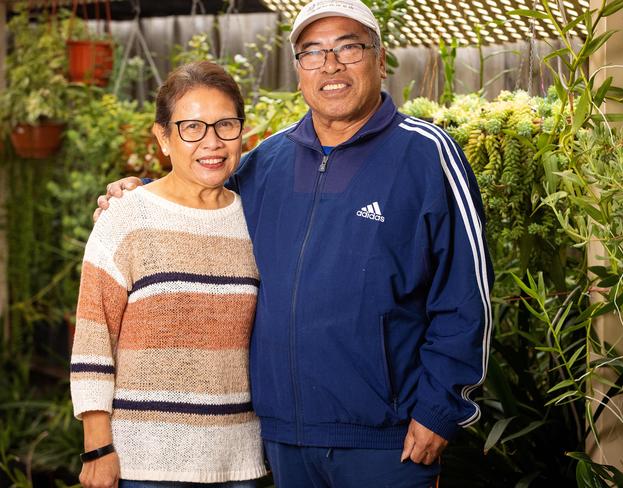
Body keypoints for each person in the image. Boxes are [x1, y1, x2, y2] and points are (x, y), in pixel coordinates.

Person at [95, 0, 493, 486]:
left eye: (349, 47)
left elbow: (465, 296)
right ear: (299, 69)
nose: (331, 64)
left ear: (380, 58)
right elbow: (197, 204)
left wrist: (439, 410)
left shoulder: (428, 156)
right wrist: (135, 193)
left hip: (388, 442)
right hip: (282, 441)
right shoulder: (266, 163)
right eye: (313, 51)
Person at [71, 61, 267, 488]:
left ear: (242, 132)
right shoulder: (126, 217)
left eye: (225, 125)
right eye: (191, 127)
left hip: (238, 459)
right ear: (163, 137)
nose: (211, 142)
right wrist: (97, 448)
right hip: (144, 463)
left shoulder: (257, 219)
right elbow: (92, 338)